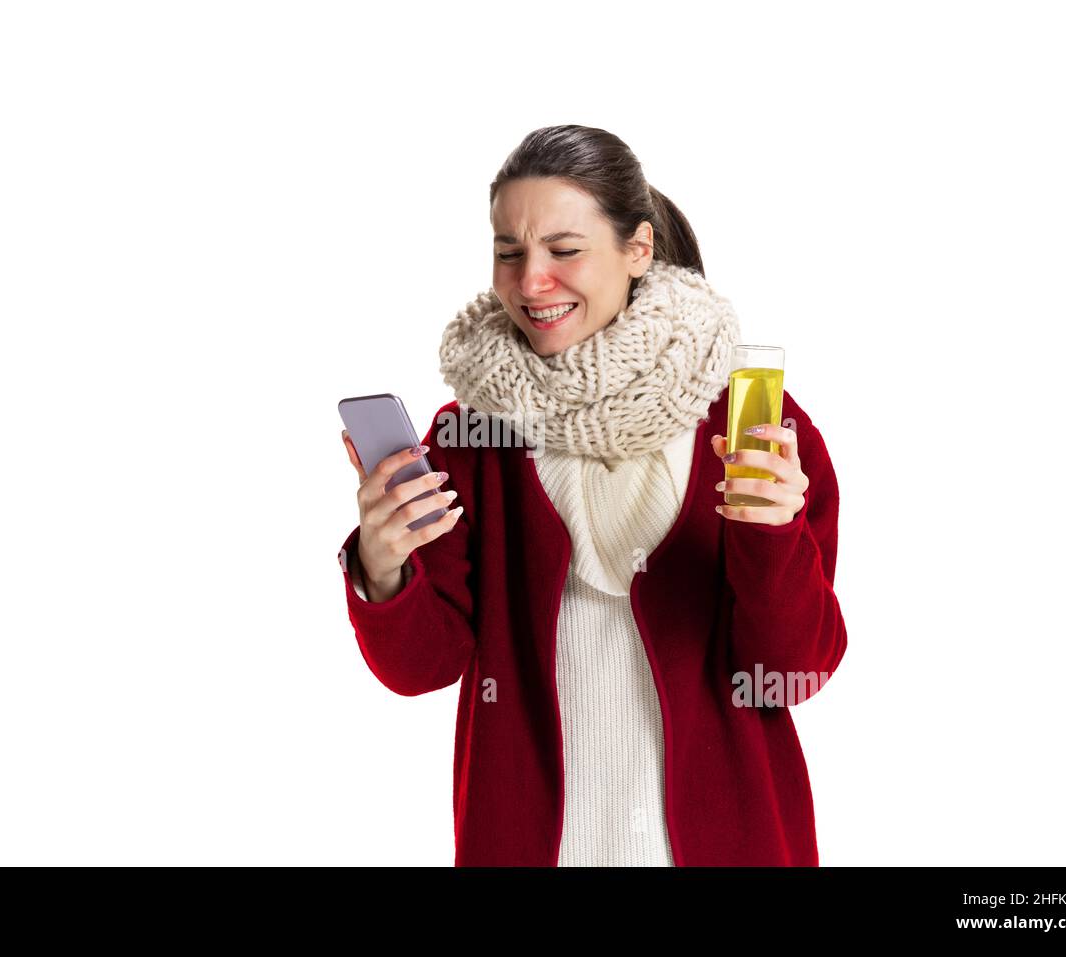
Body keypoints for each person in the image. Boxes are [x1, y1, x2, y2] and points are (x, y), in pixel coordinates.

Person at [336, 124, 848, 866]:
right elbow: (423, 667)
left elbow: (793, 669)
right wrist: (385, 571)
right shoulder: (472, 439)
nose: (530, 281)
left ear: (637, 249)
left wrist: (771, 536)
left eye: (564, 250)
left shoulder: (756, 421)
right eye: (508, 252)